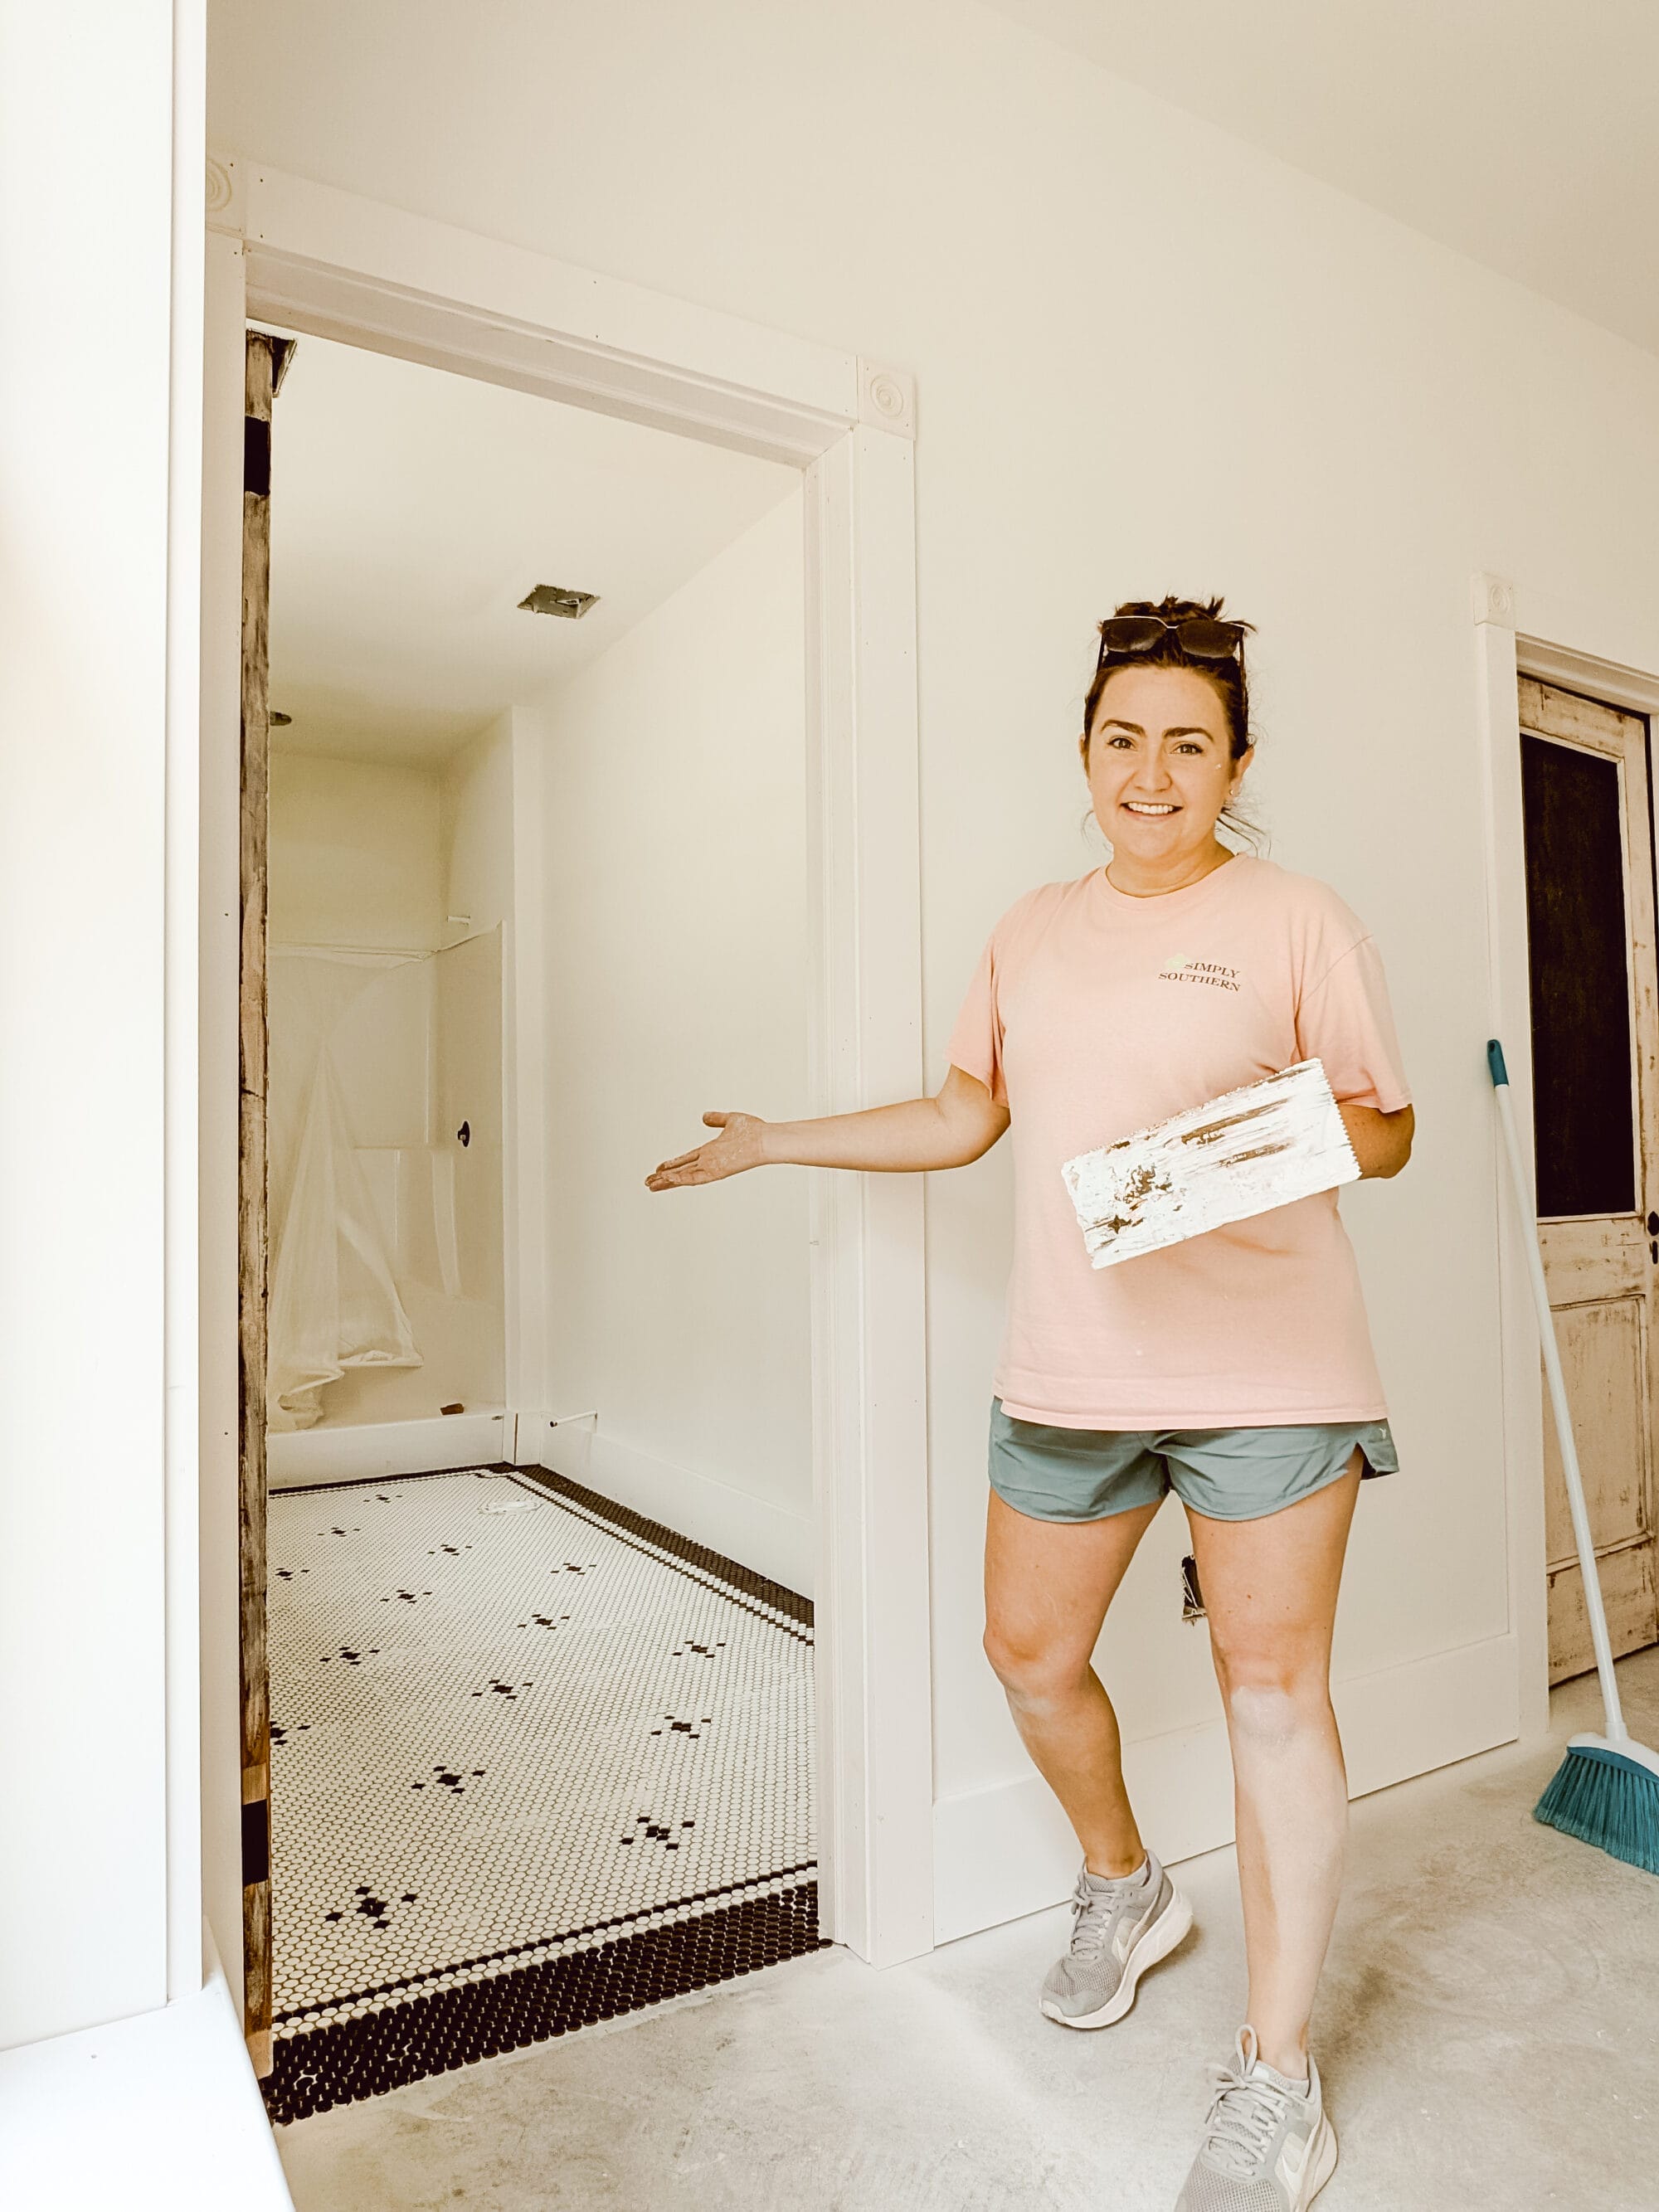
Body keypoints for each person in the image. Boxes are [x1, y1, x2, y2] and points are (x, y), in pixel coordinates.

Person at [645, 594, 1414, 2211]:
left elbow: (1382, 1123)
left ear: (1236, 761)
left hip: (1272, 1368)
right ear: (1083, 752)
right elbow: (957, 1112)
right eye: (1122, 737)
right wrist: (775, 1135)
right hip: (1076, 1362)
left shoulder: (1294, 918)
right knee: (1027, 1652)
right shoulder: (1026, 927)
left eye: (1187, 743)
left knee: (1272, 1693)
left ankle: (1276, 2071)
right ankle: (1124, 1880)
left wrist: (1204, 1164)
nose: (1151, 770)